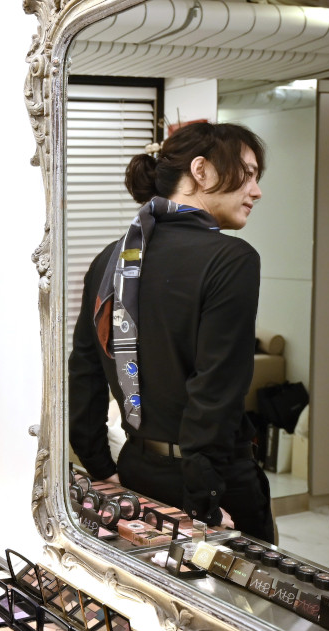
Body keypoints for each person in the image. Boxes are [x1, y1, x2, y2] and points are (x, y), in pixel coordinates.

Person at [68, 121, 274, 543]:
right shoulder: (232, 259)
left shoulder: (112, 258)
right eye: (248, 174)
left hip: (135, 473)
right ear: (201, 170)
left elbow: (84, 371)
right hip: (212, 483)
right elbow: (215, 390)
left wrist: (101, 468)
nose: (256, 191)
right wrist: (205, 502)